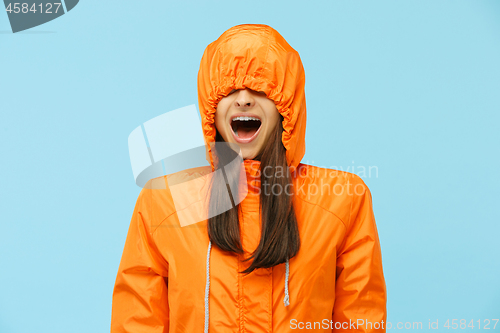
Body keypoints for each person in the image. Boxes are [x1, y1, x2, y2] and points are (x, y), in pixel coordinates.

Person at [111, 24, 387, 332]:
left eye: (261, 89)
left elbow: (360, 321)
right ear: (211, 110)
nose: (243, 100)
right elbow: (136, 322)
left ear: (286, 108)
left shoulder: (342, 198)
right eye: (229, 90)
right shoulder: (164, 199)